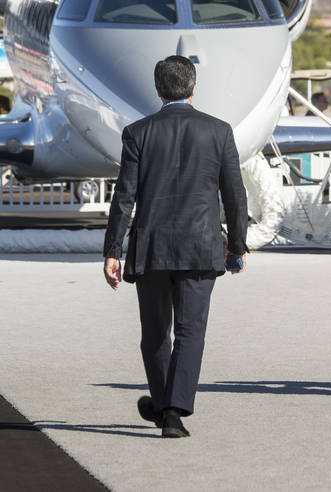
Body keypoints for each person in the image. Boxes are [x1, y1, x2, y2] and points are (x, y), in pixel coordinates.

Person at [103, 55, 248, 438]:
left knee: (154, 333)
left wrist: (112, 252)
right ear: (193, 87)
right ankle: (174, 409)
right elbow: (235, 195)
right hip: (201, 246)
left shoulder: (138, 132)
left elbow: (124, 198)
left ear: (157, 89)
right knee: (190, 331)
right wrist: (237, 246)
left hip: (151, 248)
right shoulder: (218, 131)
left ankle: (165, 405)